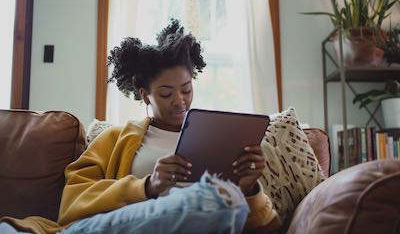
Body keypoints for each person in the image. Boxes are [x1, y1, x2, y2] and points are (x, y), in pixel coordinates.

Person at [0, 19, 280, 234]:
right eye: (167, 94)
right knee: (217, 199)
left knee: (225, 198)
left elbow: (269, 228)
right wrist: (148, 186)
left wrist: (249, 189)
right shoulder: (116, 138)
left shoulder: (219, 141)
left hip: (208, 215)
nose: (180, 101)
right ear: (146, 95)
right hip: (117, 225)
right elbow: (71, 202)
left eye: (186, 89)